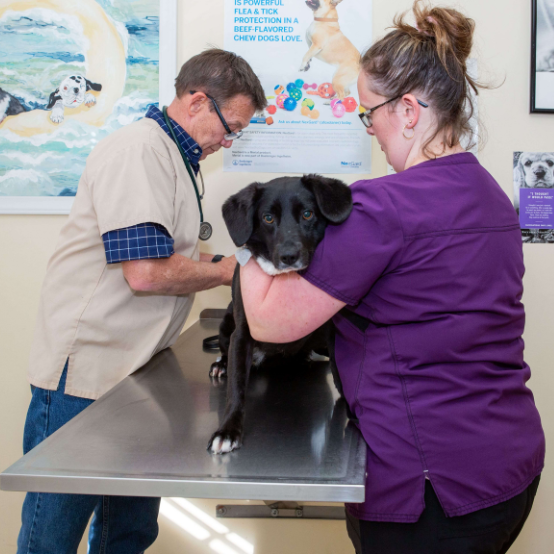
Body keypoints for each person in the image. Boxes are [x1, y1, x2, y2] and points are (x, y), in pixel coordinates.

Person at [239, 3, 545, 553]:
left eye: (369, 112)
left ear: (407, 111)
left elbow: (267, 322)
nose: (370, 128)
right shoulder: (491, 195)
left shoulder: (383, 207)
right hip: (508, 465)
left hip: (432, 488)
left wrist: (247, 237)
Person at [18, 48, 266, 554]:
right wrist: (232, 271)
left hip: (136, 374)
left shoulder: (181, 159)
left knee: (127, 534)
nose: (230, 138)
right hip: (86, 374)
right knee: (52, 537)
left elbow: (174, 252)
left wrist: (245, 265)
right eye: (232, 126)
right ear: (198, 102)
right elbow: (148, 274)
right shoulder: (138, 152)